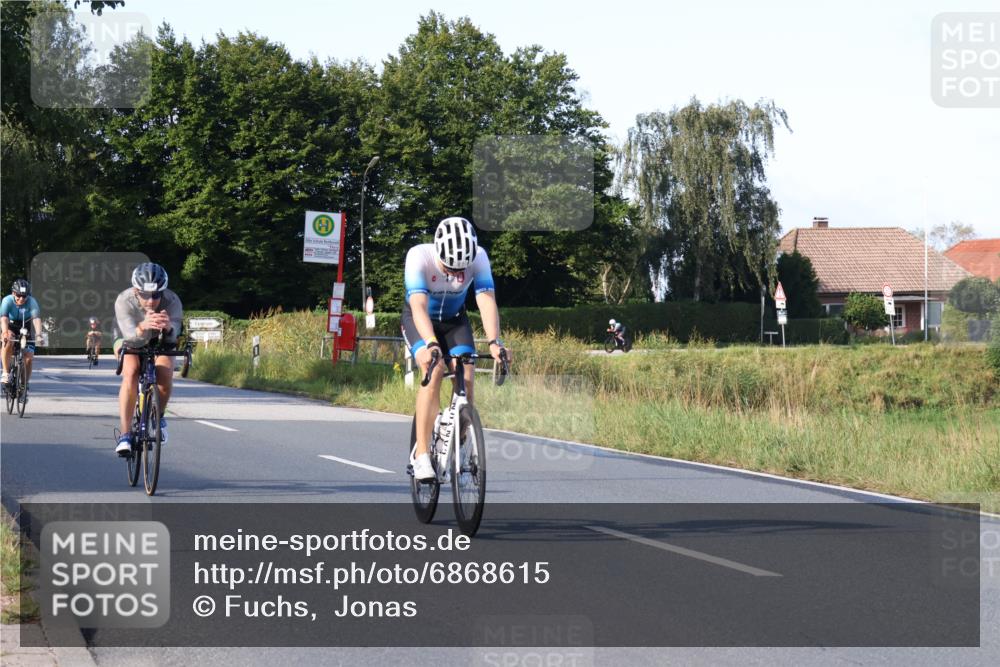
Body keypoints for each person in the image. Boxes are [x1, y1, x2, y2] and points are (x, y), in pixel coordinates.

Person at [403, 217, 508, 480]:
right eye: (449, 268)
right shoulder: (418, 256)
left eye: (462, 270)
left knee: (468, 377)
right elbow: (417, 306)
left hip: (454, 321)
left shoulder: (480, 257)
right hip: (420, 321)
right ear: (438, 252)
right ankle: (422, 456)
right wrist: (430, 345)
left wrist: (495, 342)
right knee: (434, 368)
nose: (455, 275)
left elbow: (485, 300)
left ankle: (458, 442)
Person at [113, 263, 183, 455]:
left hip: (160, 340)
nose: (151, 301)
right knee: (131, 372)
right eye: (145, 295)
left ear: (163, 291)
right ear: (136, 291)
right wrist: (142, 326)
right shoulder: (124, 300)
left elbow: (174, 334)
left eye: (156, 295)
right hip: (129, 337)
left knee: (165, 375)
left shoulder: (172, 300)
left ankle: (158, 415)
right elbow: (128, 335)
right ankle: (125, 435)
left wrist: (169, 328)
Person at [1, 279, 42, 390]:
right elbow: (4, 318)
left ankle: (24, 383)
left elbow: (36, 319)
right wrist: (4, 333)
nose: (22, 299)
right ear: (13, 293)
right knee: (8, 339)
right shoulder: (7, 300)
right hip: (11, 325)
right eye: (19, 295)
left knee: (28, 358)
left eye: (25, 296)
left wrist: (39, 335)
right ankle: (5, 372)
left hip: (26, 326)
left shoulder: (32, 302)